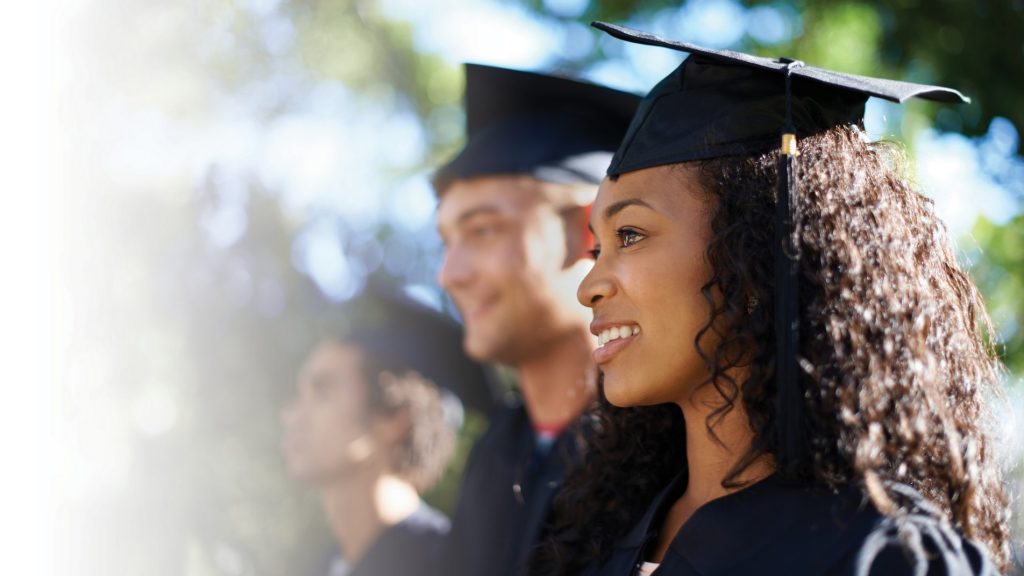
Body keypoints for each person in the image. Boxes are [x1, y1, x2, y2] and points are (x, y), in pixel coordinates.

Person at [531, 23, 1012, 576]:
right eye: (597, 249)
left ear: (758, 251)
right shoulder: (596, 541)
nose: (589, 286)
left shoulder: (882, 554)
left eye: (630, 236)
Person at [432, 64, 640, 576]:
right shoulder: (493, 458)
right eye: (446, 241)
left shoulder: (665, 445)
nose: (448, 274)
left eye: (482, 231)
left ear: (589, 228)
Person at [281, 289, 494, 576]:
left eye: (323, 393)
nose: (292, 417)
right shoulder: (319, 567)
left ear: (395, 417)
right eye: (299, 395)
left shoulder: (452, 566)